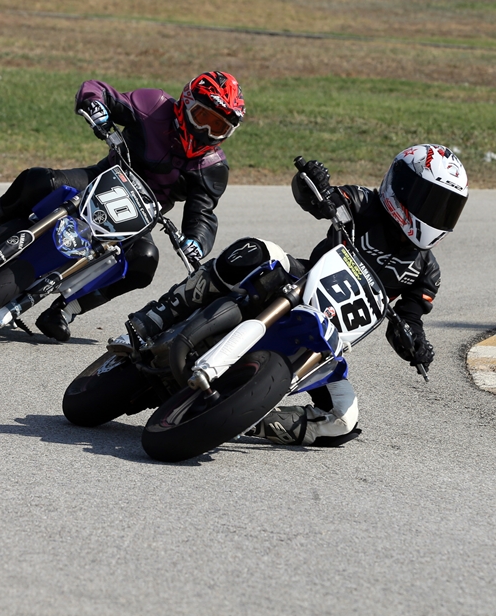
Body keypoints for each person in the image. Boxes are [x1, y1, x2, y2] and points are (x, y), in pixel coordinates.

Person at [121, 145, 469, 447]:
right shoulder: (367, 203)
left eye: (446, 208)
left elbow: (406, 320)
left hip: (327, 340)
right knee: (257, 251)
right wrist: (314, 183)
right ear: (403, 186)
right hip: (297, 283)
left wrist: (415, 343)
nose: (436, 214)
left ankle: (246, 419)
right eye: (431, 200)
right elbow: (321, 200)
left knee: (343, 420)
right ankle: (159, 315)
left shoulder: (426, 271)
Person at [0, 72, 245, 342]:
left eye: (219, 126)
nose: (207, 131)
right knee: (41, 180)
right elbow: (101, 91)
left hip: (141, 216)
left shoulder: (213, 167)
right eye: (204, 117)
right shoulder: (153, 105)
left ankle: (66, 309)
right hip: (102, 176)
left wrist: (197, 242)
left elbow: (202, 213)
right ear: (185, 104)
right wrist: (95, 104)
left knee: (144, 261)